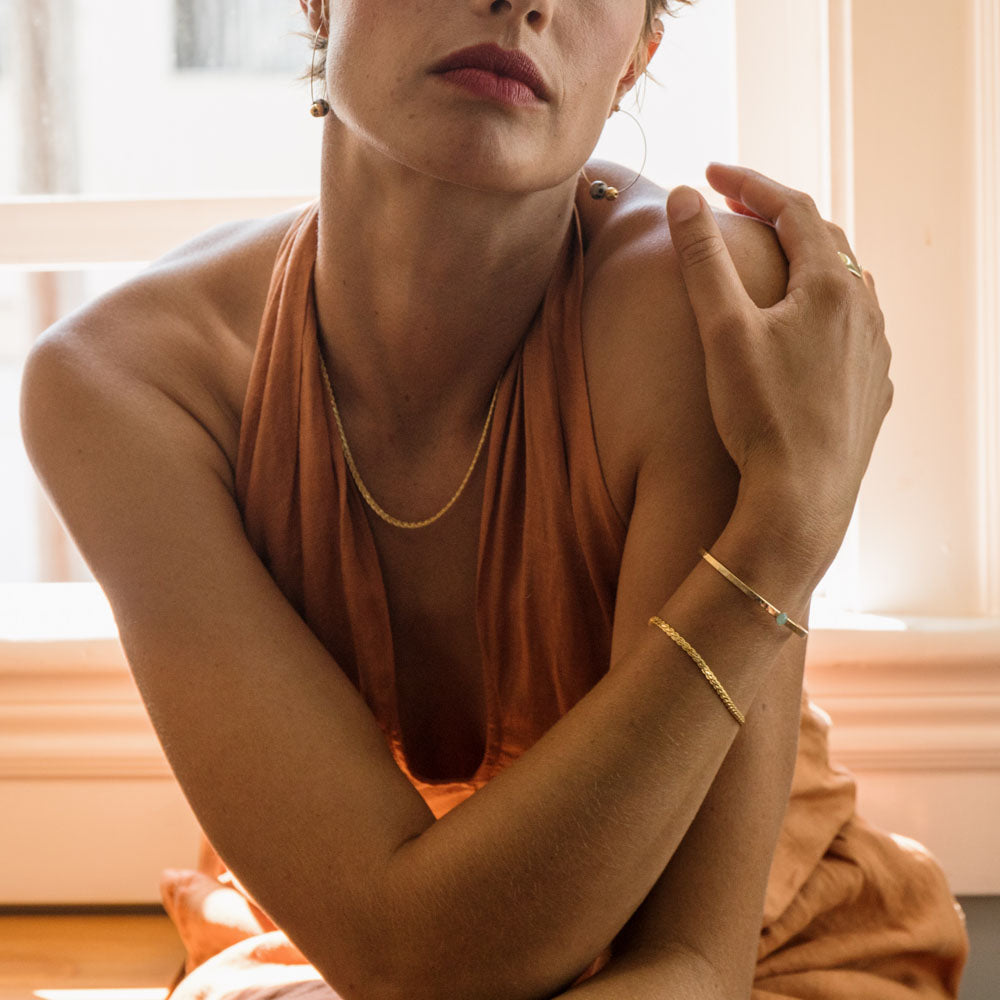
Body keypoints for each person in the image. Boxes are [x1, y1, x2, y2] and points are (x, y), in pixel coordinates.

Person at [19, 1, 968, 998]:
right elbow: (397, 952)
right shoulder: (123, 386)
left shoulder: (709, 311)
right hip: (342, 953)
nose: (522, 0)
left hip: (763, 954)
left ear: (635, 59)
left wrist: (777, 550)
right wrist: (778, 544)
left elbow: (694, 960)